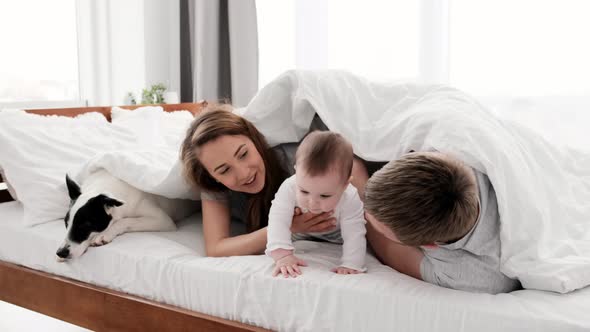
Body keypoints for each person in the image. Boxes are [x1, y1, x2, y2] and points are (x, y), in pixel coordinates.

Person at [179, 104, 339, 257]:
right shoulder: (213, 186)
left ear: (254, 140)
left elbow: (353, 167)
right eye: (225, 170)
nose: (243, 173)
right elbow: (216, 248)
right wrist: (286, 226)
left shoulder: (296, 160)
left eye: (243, 154)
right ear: (212, 177)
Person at [359, 151, 521, 294]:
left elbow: (391, 252)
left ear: (430, 245)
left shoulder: (475, 275)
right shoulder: (452, 146)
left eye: (379, 227)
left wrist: (358, 194)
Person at [265, 131, 367, 277]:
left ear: (344, 186)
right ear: (296, 171)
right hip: (301, 236)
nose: (312, 203)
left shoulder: (350, 197)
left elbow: (355, 233)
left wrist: (352, 263)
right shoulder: (289, 186)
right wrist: (282, 255)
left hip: (338, 238)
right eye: (304, 191)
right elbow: (278, 219)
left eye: (325, 195)